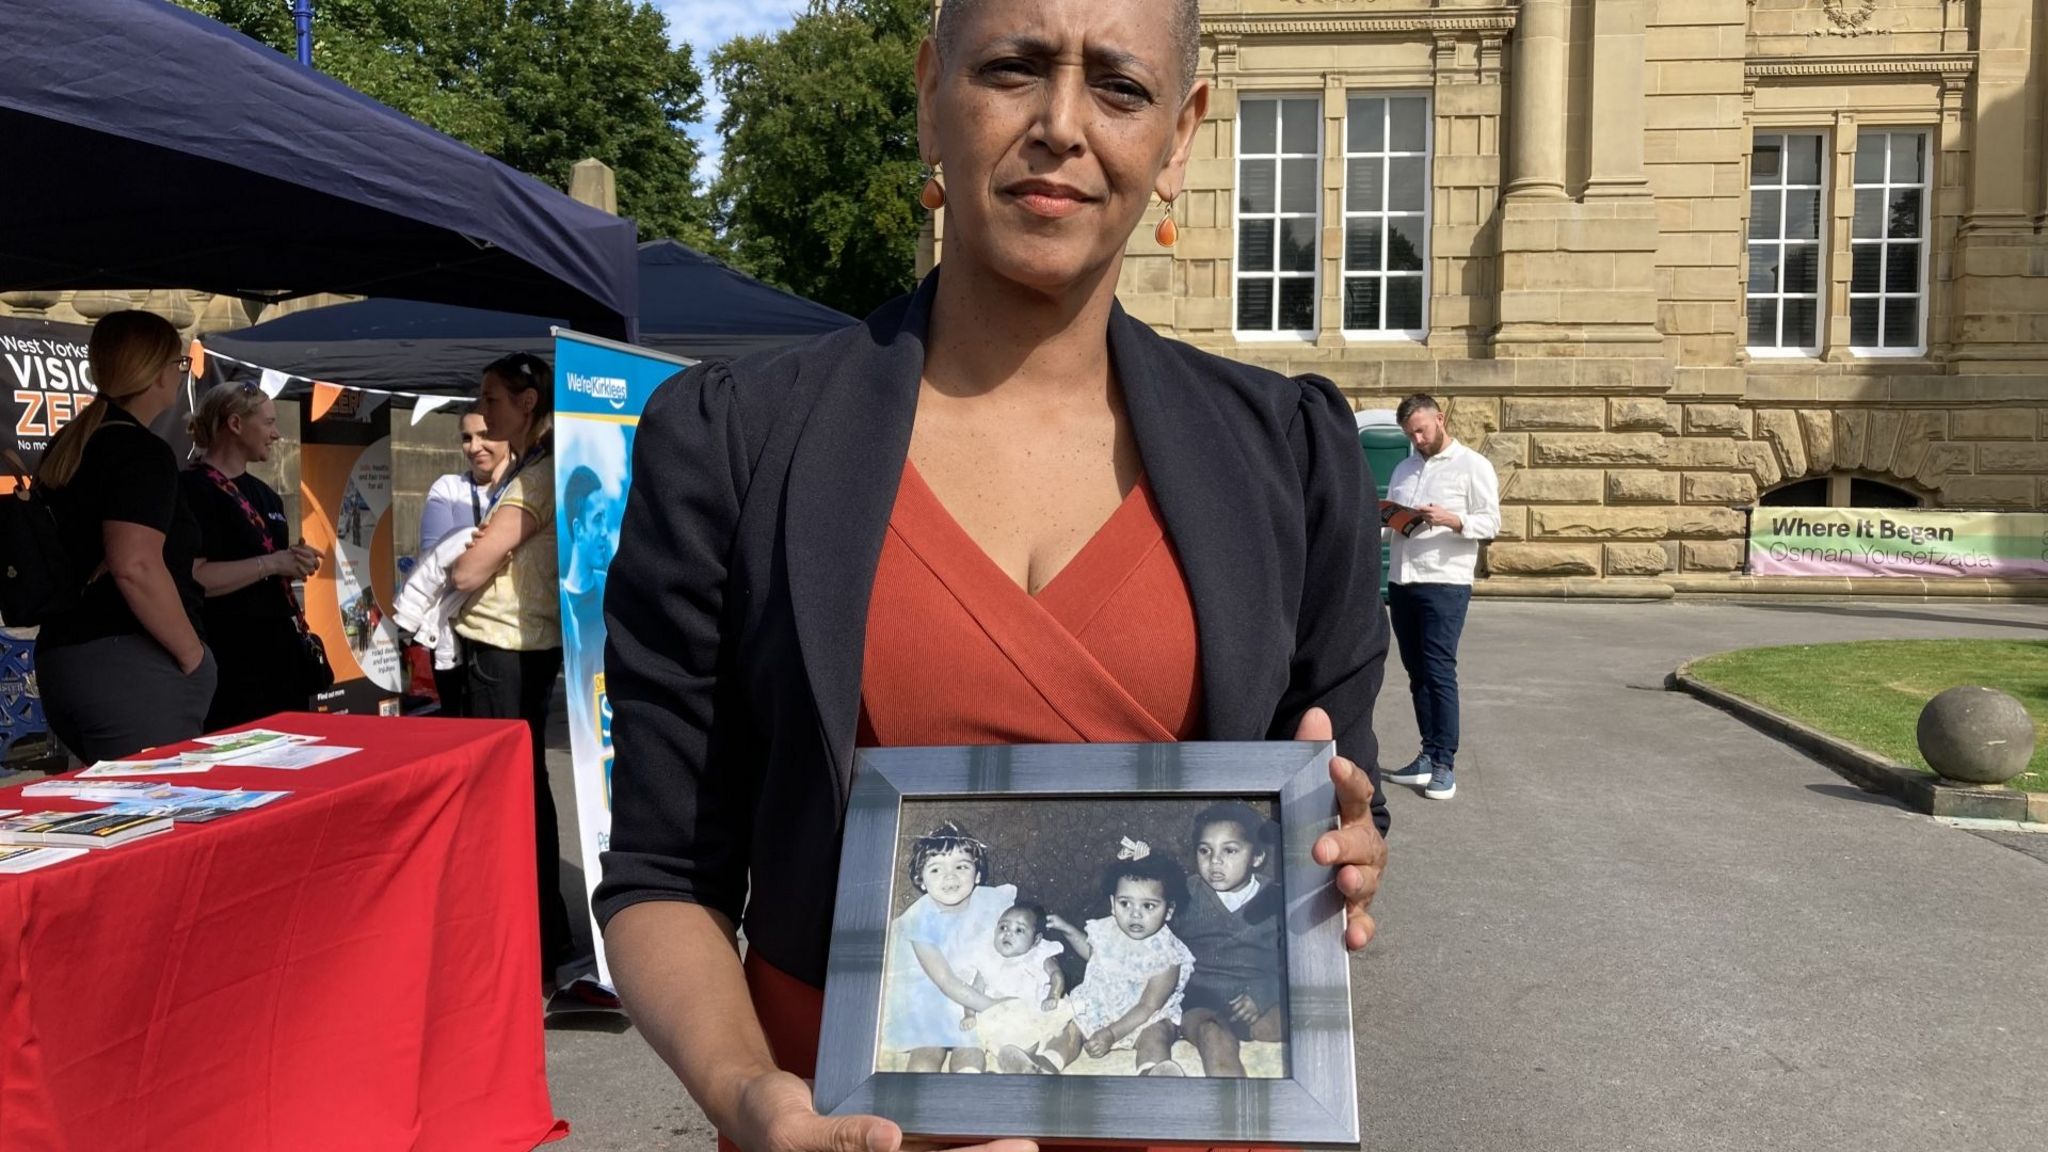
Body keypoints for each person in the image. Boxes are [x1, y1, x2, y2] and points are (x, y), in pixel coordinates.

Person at [595, 1, 1389, 1148]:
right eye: (1011, 68)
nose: (1059, 125)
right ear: (929, 91)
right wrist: (745, 1095)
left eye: (1117, 88)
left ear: (1179, 137)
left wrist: (1345, 850)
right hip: (838, 1127)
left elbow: (1319, 806)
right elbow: (664, 870)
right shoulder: (734, 443)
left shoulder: (1290, 460)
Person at [447, 351, 577, 989]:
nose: (485, 413)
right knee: (525, 790)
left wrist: (472, 561)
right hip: (524, 642)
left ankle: (527, 938)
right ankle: (540, 932)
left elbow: (469, 569)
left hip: (505, 646)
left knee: (510, 796)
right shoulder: (537, 467)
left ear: (527, 404)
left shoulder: (534, 476)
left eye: (493, 401)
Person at [32, 310, 215, 761]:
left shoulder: (73, 443)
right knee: (161, 814)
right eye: (179, 362)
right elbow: (134, 565)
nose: (181, 372)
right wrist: (193, 656)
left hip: (66, 656)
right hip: (131, 665)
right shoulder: (140, 452)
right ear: (155, 373)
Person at [1379, 393, 1501, 802]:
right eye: (1410, 433)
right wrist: (1386, 519)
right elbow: (1389, 522)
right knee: (1416, 673)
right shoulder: (1404, 467)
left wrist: (1453, 519)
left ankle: (1445, 763)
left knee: (1439, 670)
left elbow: (1491, 522)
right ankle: (1428, 754)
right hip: (1403, 580)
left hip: (1445, 583)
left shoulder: (1472, 466)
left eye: (1421, 429)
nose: (1416, 438)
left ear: (1440, 419)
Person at [181, 384, 321, 731]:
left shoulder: (267, 496)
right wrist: (273, 563)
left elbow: (273, 566)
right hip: (230, 665)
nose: (276, 433)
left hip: (280, 661)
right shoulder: (191, 490)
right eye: (269, 422)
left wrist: (295, 561)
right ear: (235, 424)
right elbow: (194, 578)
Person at [1035, 846, 1193, 1077]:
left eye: (1148, 905)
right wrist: (1068, 929)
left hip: (1144, 1017)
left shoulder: (1168, 954)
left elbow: (1149, 1005)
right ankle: (1043, 1066)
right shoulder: (1108, 929)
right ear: (1112, 903)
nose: (1135, 914)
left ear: (1168, 911)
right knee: (1070, 1029)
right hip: (1099, 1007)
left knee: (1156, 1035)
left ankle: (1152, 1074)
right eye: (1125, 903)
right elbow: (1094, 954)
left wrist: (1111, 1033)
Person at [880, 823, 1017, 1073]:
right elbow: (944, 980)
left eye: (961, 866)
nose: (950, 876)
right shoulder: (920, 918)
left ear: (977, 875)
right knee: (927, 1052)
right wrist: (992, 1006)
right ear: (921, 880)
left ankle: (964, 1095)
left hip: (974, 995)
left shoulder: (989, 903)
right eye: (936, 869)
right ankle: (914, 1100)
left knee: (971, 1051)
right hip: (931, 997)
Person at [1175, 802, 1285, 1077]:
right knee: (1212, 1036)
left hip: (1258, 998)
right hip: (1201, 1001)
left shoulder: (1275, 898)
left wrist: (1263, 995)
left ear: (1257, 857)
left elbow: (1291, 962)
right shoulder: (1184, 893)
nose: (1215, 862)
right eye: (1205, 851)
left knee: (1296, 1022)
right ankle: (1231, 1108)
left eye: (1230, 851)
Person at [416, 408, 510, 713]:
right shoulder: (448, 488)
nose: (474, 446)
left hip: (507, 637)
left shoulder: (525, 488)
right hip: (454, 637)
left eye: (485, 435)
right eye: (466, 438)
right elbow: (436, 558)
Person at [958, 901, 1067, 1066]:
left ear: (1036, 940)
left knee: (1057, 1032)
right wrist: (969, 1014)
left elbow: (1057, 975)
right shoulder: (988, 960)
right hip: (995, 1019)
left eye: (1019, 930)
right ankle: (972, 1069)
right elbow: (974, 992)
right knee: (970, 1041)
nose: (1008, 934)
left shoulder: (1039, 955)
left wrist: (1053, 995)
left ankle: (1026, 1060)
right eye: (1003, 928)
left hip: (1029, 1017)